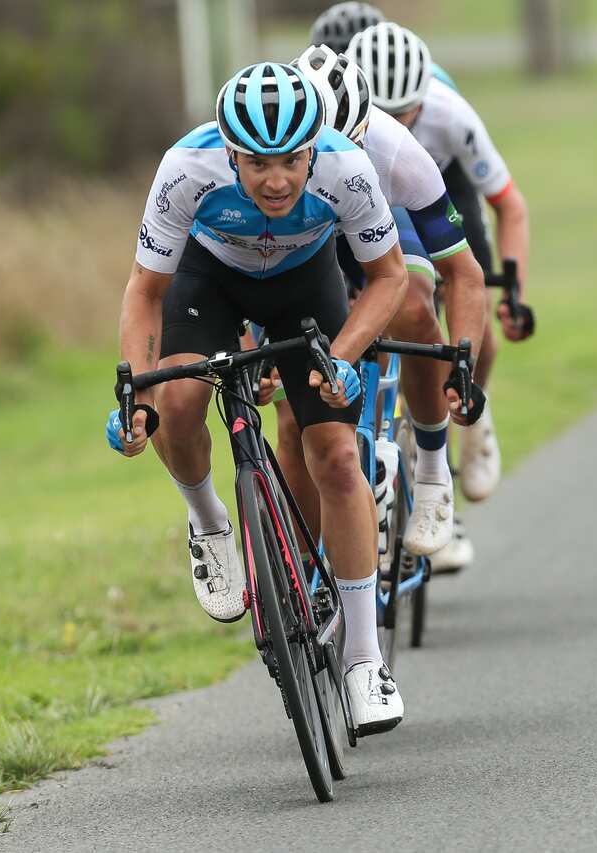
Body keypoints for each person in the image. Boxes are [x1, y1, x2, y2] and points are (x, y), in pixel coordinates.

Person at [106, 62, 434, 734]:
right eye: (257, 163)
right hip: (210, 281)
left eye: (291, 160)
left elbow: (388, 277)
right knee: (177, 402)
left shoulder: (347, 169)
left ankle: (364, 663)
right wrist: (136, 390)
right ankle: (209, 522)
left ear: (314, 148)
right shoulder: (186, 167)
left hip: (304, 285)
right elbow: (145, 290)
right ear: (229, 153)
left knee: (339, 456)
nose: (277, 179)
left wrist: (340, 359)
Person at [268, 44, 484, 572]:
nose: (339, 162)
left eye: (353, 145)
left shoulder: (397, 152)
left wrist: (462, 365)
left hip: (378, 224)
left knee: (412, 306)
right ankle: (310, 572)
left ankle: (432, 468)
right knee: (291, 410)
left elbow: (465, 274)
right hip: (299, 238)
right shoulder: (267, 163)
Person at [348, 21, 534, 512]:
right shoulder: (346, 123)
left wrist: (512, 293)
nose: (395, 127)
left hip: (440, 189)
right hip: (370, 196)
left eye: (406, 115)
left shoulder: (451, 116)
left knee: (470, 321)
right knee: (389, 310)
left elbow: (509, 205)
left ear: (423, 102)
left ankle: (473, 413)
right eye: (382, 115)